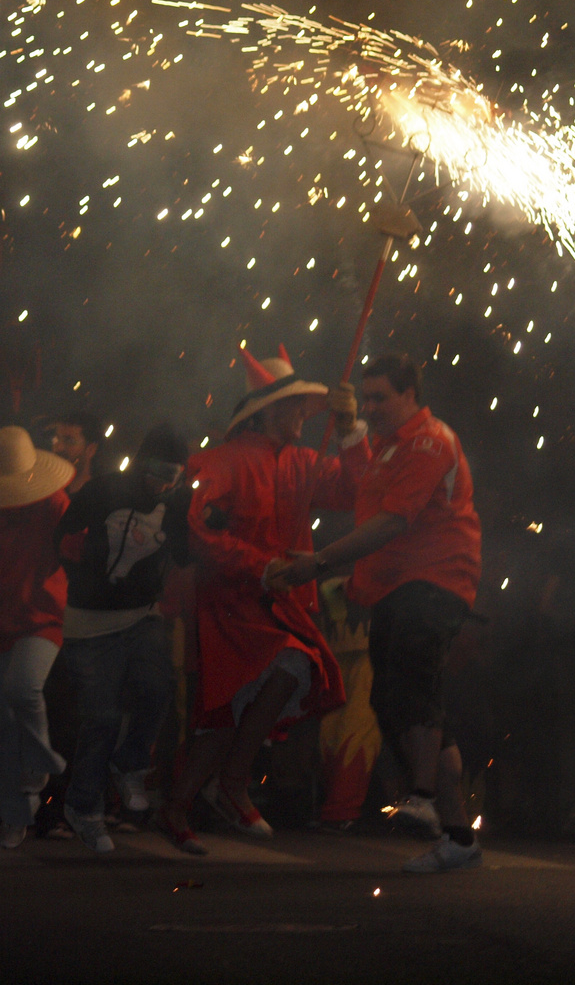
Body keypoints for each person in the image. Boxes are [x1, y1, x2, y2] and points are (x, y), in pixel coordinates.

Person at [272, 353, 482, 873]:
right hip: (396, 584)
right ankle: (458, 837)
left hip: (434, 579)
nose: (370, 406)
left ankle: (422, 796)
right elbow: (367, 490)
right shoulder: (391, 445)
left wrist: (319, 563)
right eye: (364, 399)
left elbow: (390, 522)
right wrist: (349, 429)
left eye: (379, 398)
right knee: (393, 702)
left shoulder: (430, 441)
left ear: (410, 394)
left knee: (412, 691)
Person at [156, 347, 370, 854]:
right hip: (229, 604)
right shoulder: (219, 462)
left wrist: (349, 428)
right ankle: (229, 785)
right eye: (296, 408)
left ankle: (184, 803)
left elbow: (360, 491)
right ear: (267, 411)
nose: (303, 416)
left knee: (238, 705)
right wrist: (263, 568)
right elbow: (198, 532)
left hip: (281, 604)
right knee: (280, 672)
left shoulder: (304, 463)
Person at [54, 423, 190, 853]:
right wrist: (80, 568)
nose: (162, 481)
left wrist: (207, 522)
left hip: (141, 616)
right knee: (102, 716)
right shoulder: (103, 491)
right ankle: (84, 809)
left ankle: (130, 764)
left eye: (172, 473)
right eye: (156, 470)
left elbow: (185, 554)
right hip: (90, 623)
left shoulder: (175, 504)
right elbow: (62, 535)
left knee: (157, 687)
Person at [0, 426, 74, 849]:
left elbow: (78, 545)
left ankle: (39, 761)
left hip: (40, 616)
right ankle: (14, 814)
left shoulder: (54, 502)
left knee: (23, 689)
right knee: (3, 724)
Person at [48, 412, 103, 497]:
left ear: (91, 450)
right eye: (56, 439)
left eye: (69, 441)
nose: (59, 447)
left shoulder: (97, 499)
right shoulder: (45, 494)